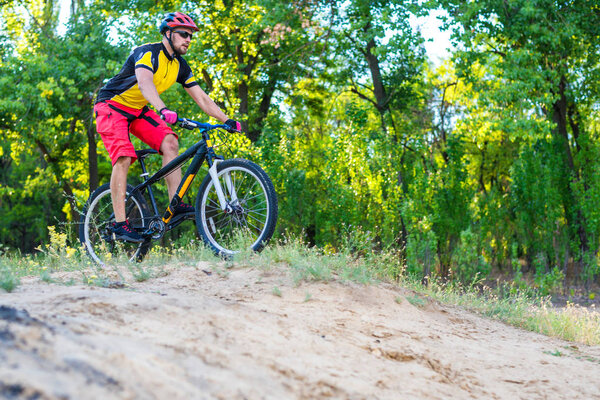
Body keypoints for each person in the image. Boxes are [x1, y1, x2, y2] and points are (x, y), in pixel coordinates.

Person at [94, 12, 241, 243]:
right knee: (123, 156)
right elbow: (144, 83)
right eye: (184, 34)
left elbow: (202, 98)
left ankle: (176, 204)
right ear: (168, 33)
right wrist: (162, 109)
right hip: (111, 105)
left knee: (170, 142)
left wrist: (226, 120)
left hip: (138, 110)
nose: (188, 39)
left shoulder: (180, 66)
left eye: (191, 36)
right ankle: (119, 223)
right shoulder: (147, 52)